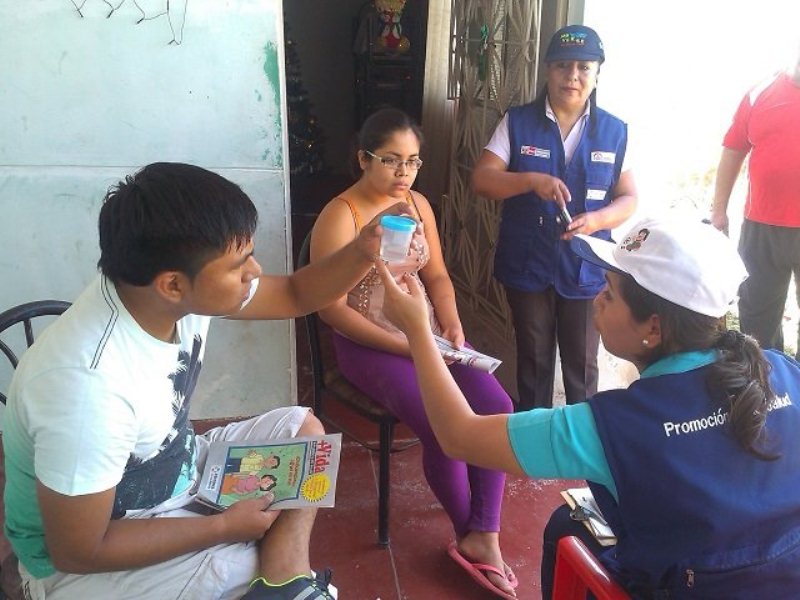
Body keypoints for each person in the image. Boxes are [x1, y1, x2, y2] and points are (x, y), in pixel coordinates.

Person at [3, 162, 411, 600]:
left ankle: (283, 577)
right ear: (173, 285)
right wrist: (221, 528)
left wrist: (363, 251)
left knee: (305, 435)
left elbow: (295, 294)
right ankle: (276, 581)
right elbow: (78, 551)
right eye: (239, 265)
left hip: (173, 471)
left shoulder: (159, 292)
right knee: (244, 558)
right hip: (90, 557)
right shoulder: (87, 390)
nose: (254, 271)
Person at [378, 216, 800, 599]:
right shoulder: (782, 371)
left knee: (568, 524)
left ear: (654, 326)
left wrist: (418, 328)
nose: (597, 299)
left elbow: (458, 435)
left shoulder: (613, 426)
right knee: (571, 520)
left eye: (610, 294)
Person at [309, 108, 517, 599]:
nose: (404, 173)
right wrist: (407, 343)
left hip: (425, 333)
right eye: (391, 160)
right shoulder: (343, 215)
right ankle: (476, 537)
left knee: (497, 407)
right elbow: (331, 311)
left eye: (414, 162)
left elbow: (438, 276)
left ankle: (482, 533)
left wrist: (450, 322)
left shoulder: (418, 205)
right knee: (441, 423)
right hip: (370, 342)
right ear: (363, 159)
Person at [471, 24, 638, 410]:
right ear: (547, 70)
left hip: (586, 268)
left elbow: (629, 198)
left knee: (582, 364)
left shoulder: (615, 132)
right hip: (527, 263)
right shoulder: (517, 122)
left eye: (583, 67)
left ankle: (581, 444)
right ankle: (536, 437)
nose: (573, 76)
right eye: (563, 66)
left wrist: (597, 221)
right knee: (533, 357)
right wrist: (529, 180)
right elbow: (482, 179)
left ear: (597, 74)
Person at [710, 47, 800, 360]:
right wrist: (718, 210)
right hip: (763, 227)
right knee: (757, 323)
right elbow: (734, 148)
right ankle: (767, 394)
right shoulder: (761, 92)